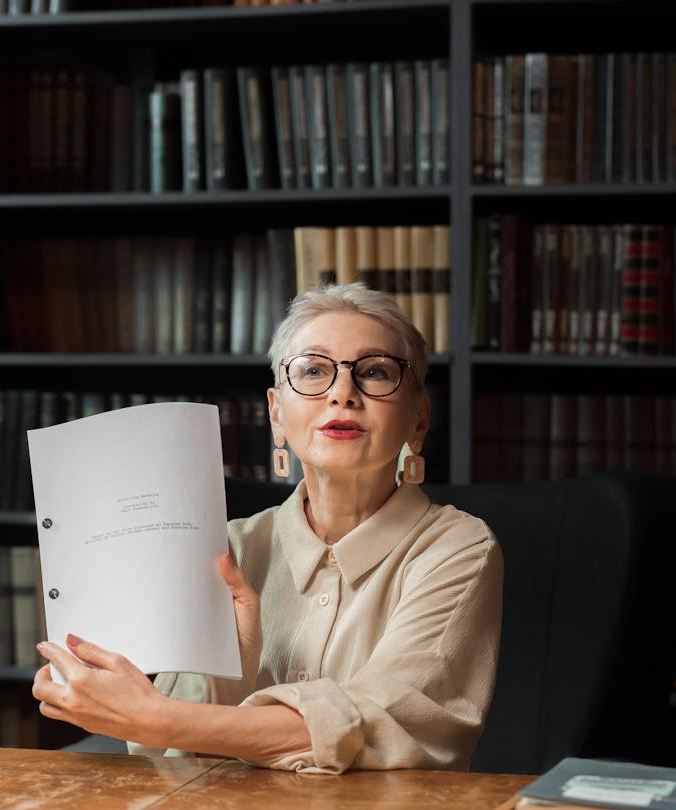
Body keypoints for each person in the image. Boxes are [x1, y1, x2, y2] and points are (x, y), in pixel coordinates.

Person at [30, 283, 503, 774]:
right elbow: (166, 760)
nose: (343, 394)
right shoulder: (229, 547)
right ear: (276, 414)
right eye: (314, 370)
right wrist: (220, 680)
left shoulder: (458, 548)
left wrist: (157, 715)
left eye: (376, 372)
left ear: (419, 422)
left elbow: (381, 724)